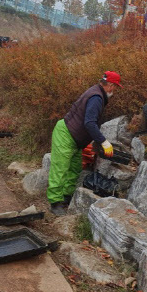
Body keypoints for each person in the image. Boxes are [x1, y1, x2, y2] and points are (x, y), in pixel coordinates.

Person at [47, 71, 122, 215]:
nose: (115, 90)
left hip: (75, 140)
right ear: (111, 86)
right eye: (116, 87)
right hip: (66, 135)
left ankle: (66, 198)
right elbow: (89, 123)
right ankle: (55, 202)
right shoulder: (96, 98)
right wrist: (104, 142)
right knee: (60, 169)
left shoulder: (96, 93)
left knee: (74, 169)